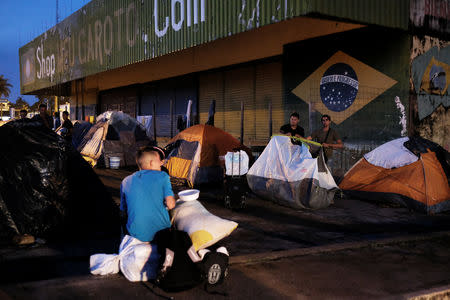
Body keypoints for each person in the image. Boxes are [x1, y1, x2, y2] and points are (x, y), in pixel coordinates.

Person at [120, 146, 176, 242]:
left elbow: (123, 210)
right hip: (161, 234)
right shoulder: (163, 176)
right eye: (160, 161)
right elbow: (170, 205)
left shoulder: (125, 181)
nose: (161, 164)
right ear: (152, 163)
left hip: (135, 236)